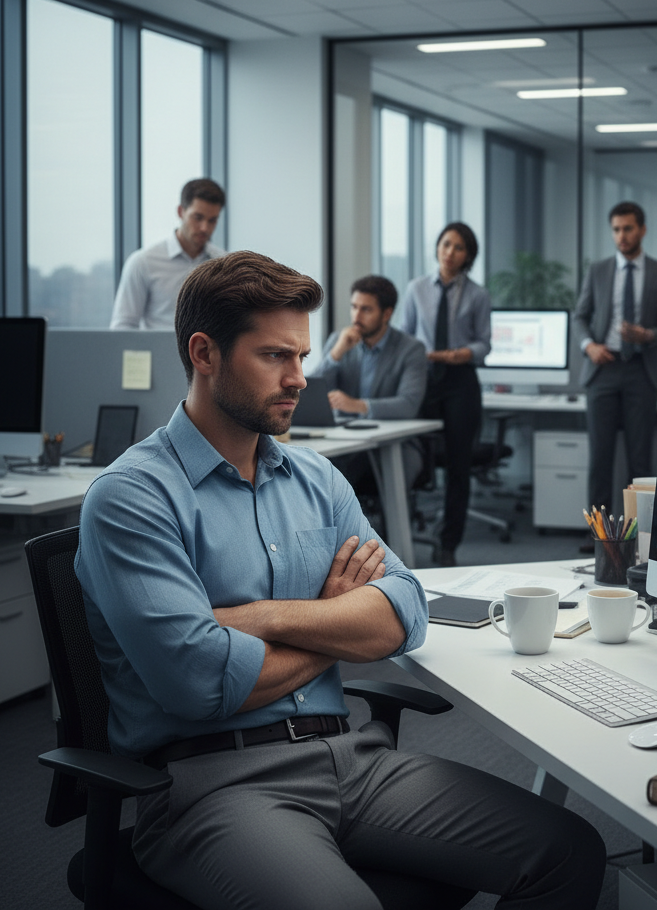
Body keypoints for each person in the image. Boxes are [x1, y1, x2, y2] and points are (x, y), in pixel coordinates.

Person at [75, 250, 604, 910]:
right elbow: (199, 681)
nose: (302, 378)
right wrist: (337, 620)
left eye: (301, 356)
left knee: (570, 852)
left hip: (351, 759)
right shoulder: (133, 498)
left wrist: (269, 616)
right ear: (204, 354)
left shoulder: (317, 480)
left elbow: (407, 611)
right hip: (212, 786)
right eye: (276, 357)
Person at [573, 201, 657, 514]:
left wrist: (648, 336)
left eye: (628, 228)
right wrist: (589, 345)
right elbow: (579, 317)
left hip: (640, 371)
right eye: (616, 229)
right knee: (600, 457)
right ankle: (598, 534)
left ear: (642, 230)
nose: (621, 235)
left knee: (640, 458)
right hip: (602, 368)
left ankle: (638, 532)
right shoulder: (598, 270)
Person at [399, 223, 491, 568]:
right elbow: (406, 337)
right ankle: (401, 532)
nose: (450, 252)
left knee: (458, 465)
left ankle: (448, 542)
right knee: (411, 456)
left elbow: (485, 343)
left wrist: (461, 354)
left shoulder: (477, 295)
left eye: (459, 247)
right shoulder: (416, 289)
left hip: (459, 379)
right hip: (422, 379)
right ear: (437, 247)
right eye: (446, 244)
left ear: (468, 256)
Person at [312, 274, 427, 492]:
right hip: (347, 440)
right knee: (318, 476)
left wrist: (358, 405)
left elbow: (409, 404)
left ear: (387, 314)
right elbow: (312, 392)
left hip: (396, 445)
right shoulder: (341, 341)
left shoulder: (411, 349)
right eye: (354, 307)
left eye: (366, 309)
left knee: (393, 478)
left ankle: (390, 526)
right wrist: (336, 354)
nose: (357, 316)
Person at [110, 178, 226, 329]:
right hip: (157, 351)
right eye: (198, 218)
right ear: (181, 212)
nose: (205, 228)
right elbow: (123, 326)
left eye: (212, 220)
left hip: (206, 351)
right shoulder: (143, 262)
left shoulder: (223, 264)